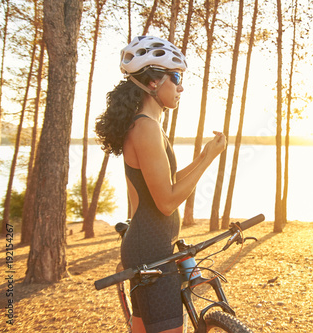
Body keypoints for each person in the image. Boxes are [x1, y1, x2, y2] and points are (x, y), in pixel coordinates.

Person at [95, 36, 226, 333]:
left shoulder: (147, 125)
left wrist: (206, 154)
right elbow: (166, 201)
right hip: (152, 253)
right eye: (176, 77)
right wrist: (208, 160)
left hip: (148, 249)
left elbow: (166, 183)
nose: (181, 86)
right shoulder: (146, 128)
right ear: (153, 82)